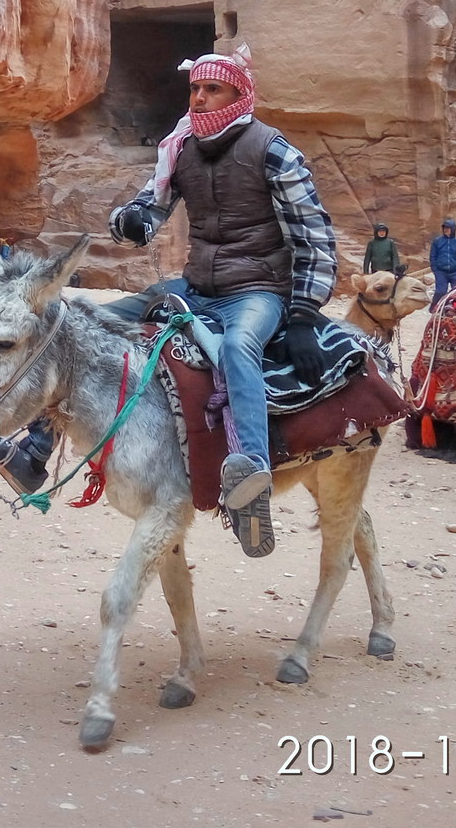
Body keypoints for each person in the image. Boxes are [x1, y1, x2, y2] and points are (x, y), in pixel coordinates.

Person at [107, 46, 338, 560]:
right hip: (196, 286)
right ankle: (36, 447)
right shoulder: (181, 147)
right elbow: (152, 203)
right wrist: (131, 220)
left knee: (238, 349)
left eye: (213, 89)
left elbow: (316, 238)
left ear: (239, 94)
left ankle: (251, 475)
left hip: (257, 291)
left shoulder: (274, 150)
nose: (201, 97)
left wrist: (303, 314)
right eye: (195, 89)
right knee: (96, 322)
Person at [429, 219, 456, 308]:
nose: (446, 230)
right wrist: (435, 269)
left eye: (448, 228)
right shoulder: (437, 241)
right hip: (441, 272)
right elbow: (433, 256)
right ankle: (434, 308)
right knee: (440, 292)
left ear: (453, 229)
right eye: (445, 228)